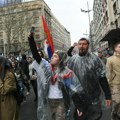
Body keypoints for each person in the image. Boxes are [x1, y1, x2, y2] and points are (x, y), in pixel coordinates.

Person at [28, 34, 86, 120]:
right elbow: (36, 56)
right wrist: (31, 41)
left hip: (61, 102)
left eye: (55, 56)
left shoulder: (66, 73)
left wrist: (79, 106)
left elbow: (73, 90)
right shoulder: (47, 70)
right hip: (48, 101)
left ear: (60, 60)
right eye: (52, 56)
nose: (51, 57)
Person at [67, 38, 112, 120]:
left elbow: (102, 77)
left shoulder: (95, 59)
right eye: (80, 44)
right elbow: (68, 79)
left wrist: (107, 95)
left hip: (94, 97)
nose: (81, 46)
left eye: (84, 44)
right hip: (78, 98)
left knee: (94, 117)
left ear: (88, 45)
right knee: (80, 117)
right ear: (77, 46)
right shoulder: (72, 60)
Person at [106, 42, 120, 120]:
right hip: (115, 84)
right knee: (117, 101)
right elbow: (108, 72)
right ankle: (114, 113)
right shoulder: (110, 59)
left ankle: (118, 113)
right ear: (115, 48)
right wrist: (109, 83)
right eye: (119, 47)